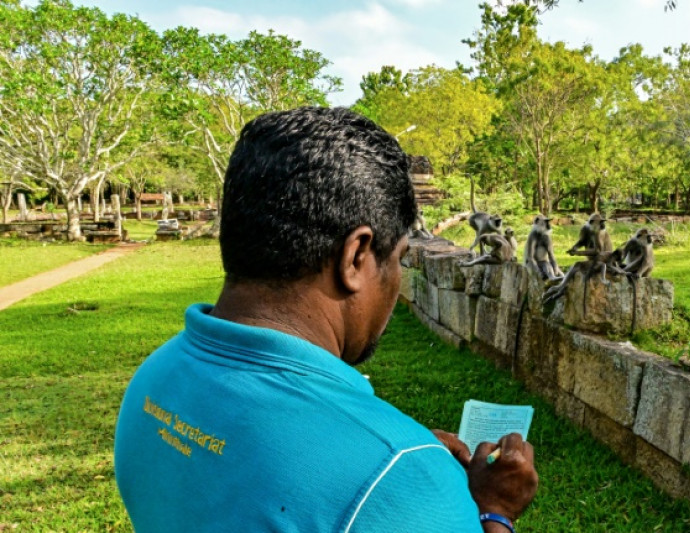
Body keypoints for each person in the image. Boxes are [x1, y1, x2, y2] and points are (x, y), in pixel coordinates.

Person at [114, 107, 538, 532]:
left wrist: (382, 447)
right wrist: (493, 510)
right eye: (399, 260)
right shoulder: (404, 484)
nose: (397, 284)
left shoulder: (154, 377)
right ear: (356, 256)